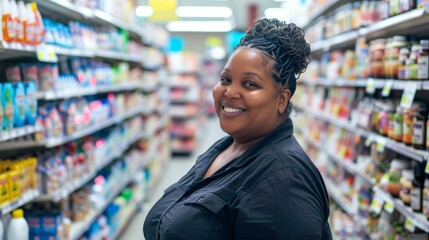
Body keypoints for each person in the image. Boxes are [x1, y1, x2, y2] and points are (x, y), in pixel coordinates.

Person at [143, 18, 332, 240]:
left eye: (249, 84)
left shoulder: (284, 180)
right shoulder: (227, 147)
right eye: (225, 79)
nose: (230, 92)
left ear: (281, 100)